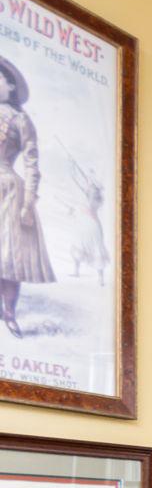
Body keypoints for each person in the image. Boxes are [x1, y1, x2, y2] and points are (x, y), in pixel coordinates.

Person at [0, 57, 56, 339]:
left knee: (10, 257)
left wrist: (28, 202)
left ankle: (9, 313)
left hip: (8, 190)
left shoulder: (20, 119)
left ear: (10, 85)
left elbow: (32, 162)